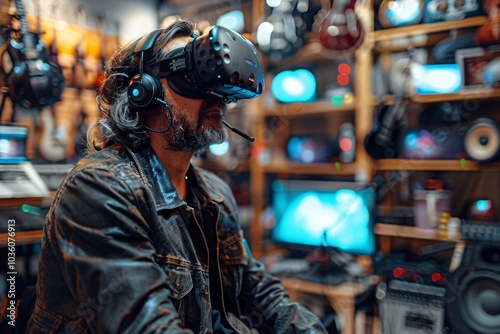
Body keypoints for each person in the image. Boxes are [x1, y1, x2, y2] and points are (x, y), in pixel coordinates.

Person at [26, 19, 328, 333]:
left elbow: (256, 291)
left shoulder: (215, 192)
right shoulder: (99, 189)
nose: (215, 94)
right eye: (192, 76)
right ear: (143, 92)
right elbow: (148, 326)